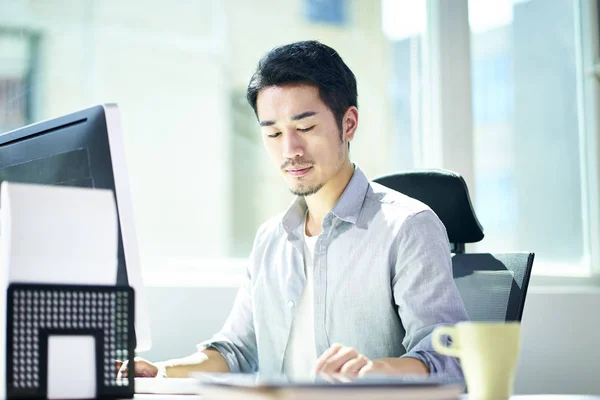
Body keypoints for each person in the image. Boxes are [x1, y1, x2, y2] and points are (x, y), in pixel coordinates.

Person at [118, 40, 469, 380]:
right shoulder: (271, 238)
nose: (290, 150)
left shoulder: (407, 227)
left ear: (348, 124)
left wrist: (373, 373)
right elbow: (236, 351)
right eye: (273, 134)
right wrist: (164, 371)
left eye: (305, 127)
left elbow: (451, 361)